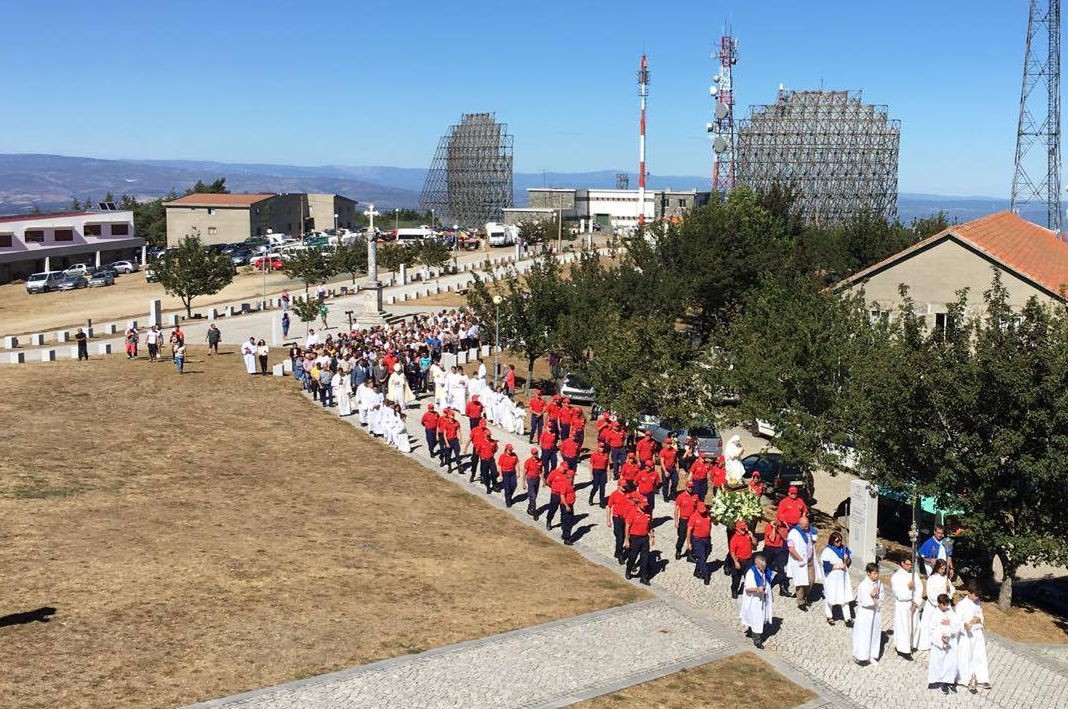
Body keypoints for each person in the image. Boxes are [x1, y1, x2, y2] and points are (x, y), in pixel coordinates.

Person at [956, 580, 991, 693]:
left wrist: (978, 619)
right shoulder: (961, 605)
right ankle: (965, 678)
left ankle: (981, 677)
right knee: (966, 656)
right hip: (966, 635)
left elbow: (980, 614)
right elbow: (958, 621)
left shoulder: (977, 602)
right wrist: (964, 625)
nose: (976, 598)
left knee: (979, 656)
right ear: (969, 593)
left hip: (977, 634)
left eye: (978, 596)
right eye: (975, 595)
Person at [926, 593, 961, 694]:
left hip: (951, 643)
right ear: (939, 604)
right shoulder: (934, 615)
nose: (946, 607)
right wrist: (940, 638)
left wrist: (950, 623)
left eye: (947, 604)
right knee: (939, 662)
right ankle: (941, 681)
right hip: (940, 644)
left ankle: (949, 681)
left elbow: (958, 625)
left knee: (950, 663)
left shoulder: (951, 613)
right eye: (944, 605)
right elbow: (931, 631)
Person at [891, 556, 923, 660]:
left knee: (914, 626)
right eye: (908, 564)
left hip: (913, 604)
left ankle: (911, 644)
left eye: (911, 564)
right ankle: (903, 650)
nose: (910, 567)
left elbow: (919, 589)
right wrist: (908, 588)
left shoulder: (914, 575)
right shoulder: (896, 577)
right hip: (903, 605)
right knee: (904, 627)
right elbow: (899, 594)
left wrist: (916, 603)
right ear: (902, 563)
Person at [739, 553, 774, 649]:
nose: (764, 567)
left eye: (764, 566)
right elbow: (747, 589)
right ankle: (757, 640)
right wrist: (757, 590)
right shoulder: (751, 573)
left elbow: (767, 583)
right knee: (757, 619)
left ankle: (752, 631)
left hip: (763, 599)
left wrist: (770, 594)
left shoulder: (764, 571)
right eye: (762, 566)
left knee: (758, 618)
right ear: (756, 564)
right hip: (754, 600)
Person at [918, 559, 953, 651]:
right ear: (937, 568)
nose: (943, 571)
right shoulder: (932, 579)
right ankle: (927, 644)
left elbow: (951, 591)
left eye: (944, 569)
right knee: (929, 625)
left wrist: (949, 589)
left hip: (944, 605)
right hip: (934, 605)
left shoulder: (946, 579)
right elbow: (930, 593)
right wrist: (938, 603)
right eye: (941, 569)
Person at [852, 562, 884, 665]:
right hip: (865, 613)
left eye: (877, 573)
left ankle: (872, 655)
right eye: (874, 573)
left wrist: (876, 598)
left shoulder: (879, 583)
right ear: (868, 573)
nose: (876, 575)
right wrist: (873, 596)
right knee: (863, 634)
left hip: (875, 612)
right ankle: (860, 656)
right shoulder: (863, 585)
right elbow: (866, 602)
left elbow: (882, 597)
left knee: (874, 634)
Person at [821, 531, 854, 626]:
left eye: (840, 541)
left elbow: (848, 562)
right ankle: (829, 616)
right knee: (830, 597)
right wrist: (839, 566)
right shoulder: (827, 551)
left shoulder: (844, 549)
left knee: (844, 598)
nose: (839, 543)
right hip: (832, 579)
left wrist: (846, 559)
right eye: (837, 541)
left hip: (843, 578)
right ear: (832, 542)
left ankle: (847, 618)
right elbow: (826, 567)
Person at [786, 515, 815, 610]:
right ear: (800, 524)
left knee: (811, 580)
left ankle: (805, 595)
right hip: (800, 561)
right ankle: (801, 601)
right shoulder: (793, 533)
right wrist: (799, 558)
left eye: (808, 525)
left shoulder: (809, 530)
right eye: (805, 526)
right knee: (801, 581)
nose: (807, 528)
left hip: (810, 559)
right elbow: (791, 548)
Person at [624, 497, 654, 585]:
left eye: (646, 505)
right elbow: (627, 526)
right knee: (633, 556)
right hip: (635, 538)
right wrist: (627, 540)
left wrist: (652, 535)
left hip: (645, 538)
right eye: (644, 505)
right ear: (639, 504)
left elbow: (650, 525)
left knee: (645, 558)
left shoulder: (648, 513)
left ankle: (643, 577)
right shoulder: (633, 513)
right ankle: (628, 569)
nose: (645, 507)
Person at [687, 501, 713, 584]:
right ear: (697, 509)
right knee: (701, 557)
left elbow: (711, 524)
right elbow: (689, 530)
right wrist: (689, 543)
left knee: (705, 556)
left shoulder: (708, 514)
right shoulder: (693, 517)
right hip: (698, 540)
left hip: (707, 539)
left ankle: (697, 571)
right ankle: (706, 575)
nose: (703, 512)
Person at [762, 517, 790, 598]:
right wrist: (774, 529)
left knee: (781, 569)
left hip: (779, 549)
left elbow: (785, 538)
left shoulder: (783, 527)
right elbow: (772, 538)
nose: (783, 522)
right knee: (765, 567)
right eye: (781, 521)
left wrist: (779, 530)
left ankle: (782, 588)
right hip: (769, 548)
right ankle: (764, 586)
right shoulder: (768, 526)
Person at [606, 480, 632, 564]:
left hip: (626, 518)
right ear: (618, 485)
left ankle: (617, 552)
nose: (624, 488)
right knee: (620, 537)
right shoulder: (614, 495)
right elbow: (609, 507)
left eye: (625, 486)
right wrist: (608, 520)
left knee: (626, 536)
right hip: (617, 518)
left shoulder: (629, 494)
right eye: (622, 486)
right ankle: (620, 555)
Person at [729, 520, 756, 599]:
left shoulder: (748, 535)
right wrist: (736, 562)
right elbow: (732, 552)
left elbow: (755, 543)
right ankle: (734, 590)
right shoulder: (734, 539)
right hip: (739, 561)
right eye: (742, 529)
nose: (744, 530)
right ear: (737, 528)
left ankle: (748, 590)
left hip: (749, 560)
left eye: (744, 528)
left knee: (749, 577)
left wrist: (752, 536)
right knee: (736, 579)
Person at [673, 481, 698, 560]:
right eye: (689, 487)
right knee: (682, 537)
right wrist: (676, 521)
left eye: (692, 487)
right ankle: (678, 550)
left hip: (692, 520)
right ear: (686, 487)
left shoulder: (695, 496)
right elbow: (676, 510)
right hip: (683, 520)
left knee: (692, 538)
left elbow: (697, 508)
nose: (690, 489)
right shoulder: (681, 496)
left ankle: (690, 554)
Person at [588, 441, 610, 507]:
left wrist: (609, 474)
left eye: (603, 447)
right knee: (595, 487)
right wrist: (591, 474)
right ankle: (591, 498)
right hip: (596, 472)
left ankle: (601, 502)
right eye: (600, 447)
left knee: (602, 488)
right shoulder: (594, 455)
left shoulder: (606, 455)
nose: (602, 449)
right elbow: (591, 465)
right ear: (598, 447)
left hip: (603, 472)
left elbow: (607, 465)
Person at [523, 447, 542, 518]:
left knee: (535, 495)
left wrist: (543, 481)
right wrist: (523, 483)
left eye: (536, 453)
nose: (535, 454)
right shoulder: (528, 461)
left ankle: (529, 508)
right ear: (532, 454)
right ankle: (534, 512)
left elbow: (540, 471)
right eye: (534, 453)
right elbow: (524, 473)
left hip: (537, 479)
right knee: (533, 496)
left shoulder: (540, 461)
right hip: (530, 479)